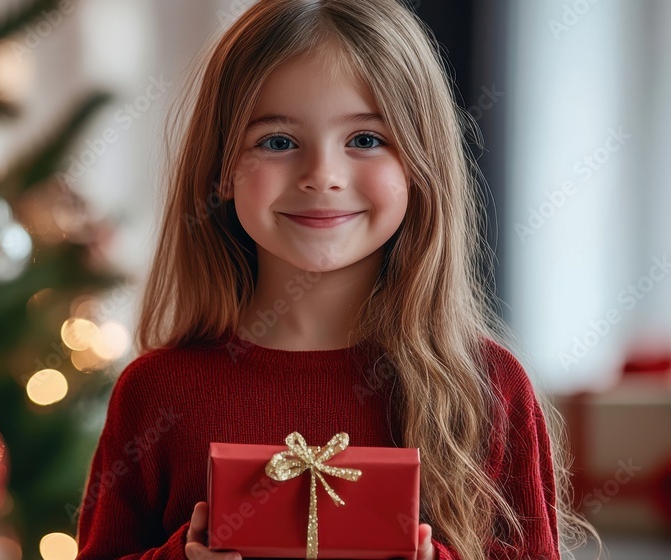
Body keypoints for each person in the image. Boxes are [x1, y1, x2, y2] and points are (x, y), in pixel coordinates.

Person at [73, 1, 598, 559]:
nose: (322, 176)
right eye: (277, 141)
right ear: (221, 170)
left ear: (421, 169)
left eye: (366, 140)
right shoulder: (156, 392)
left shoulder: (490, 389)